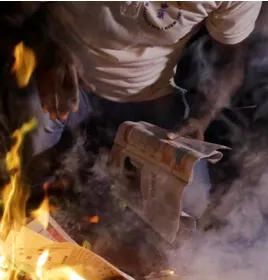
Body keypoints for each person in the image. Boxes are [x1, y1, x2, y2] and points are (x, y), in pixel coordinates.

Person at [22, 2, 262, 216]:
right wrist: (46, 52)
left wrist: (201, 118)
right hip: (68, 82)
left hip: (151, 95)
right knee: (24, 160)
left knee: (190, 205)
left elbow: (231, 58)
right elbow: (13, 12)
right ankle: (32, 208)